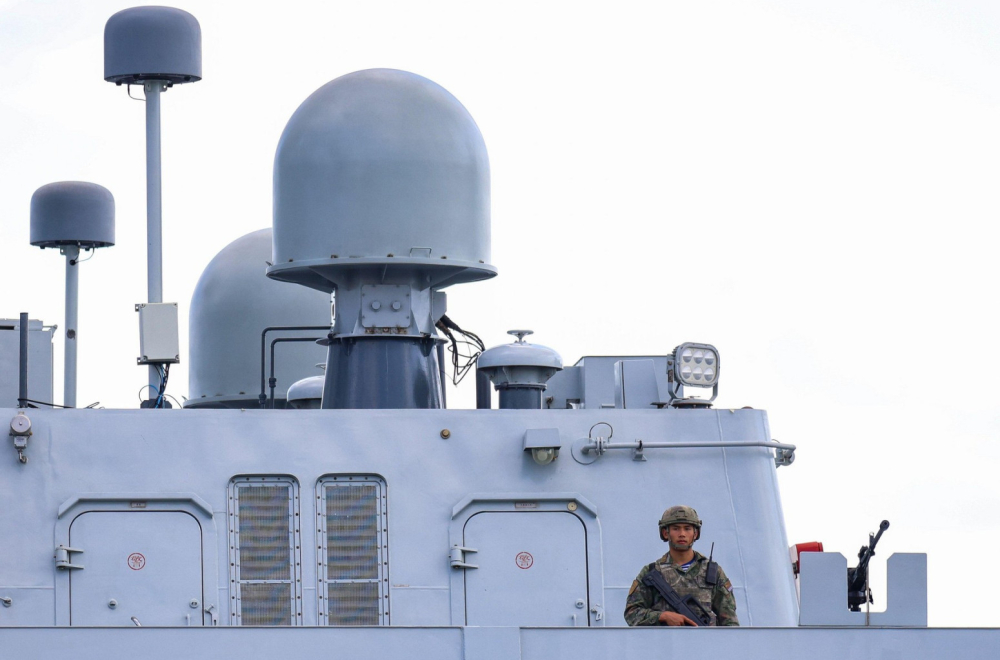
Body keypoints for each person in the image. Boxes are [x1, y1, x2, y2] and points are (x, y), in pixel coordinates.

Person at [624, 505, 739, 626]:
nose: (682, 534)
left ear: (695, 533)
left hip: (705, 643)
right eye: (676, 528)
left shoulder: (712, 572)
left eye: (687, 528)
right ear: (665, 533)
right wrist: (662, 616)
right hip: (663, 643)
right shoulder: (652, 572)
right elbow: (631, 614)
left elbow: (730, 621)